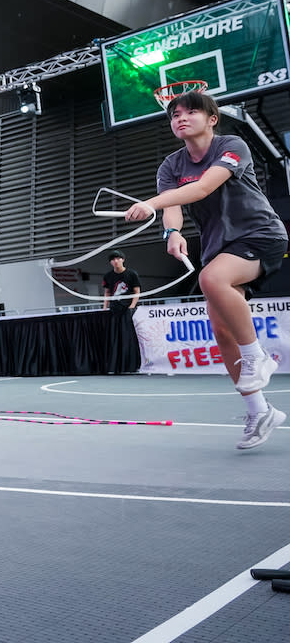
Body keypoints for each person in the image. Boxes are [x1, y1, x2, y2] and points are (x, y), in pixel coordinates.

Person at [124, 90, 289, 450]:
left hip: (260, 234)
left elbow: (201, 189)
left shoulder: (232, 145)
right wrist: (172, 232)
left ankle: (256, 355)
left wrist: (149, 204)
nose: (180, 118)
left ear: (211, 118)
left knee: (211, 278)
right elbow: (175, 208)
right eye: (174, 115)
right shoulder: (170, 166)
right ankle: (259, 411)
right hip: (219, 245)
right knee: (221, 329)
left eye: (190, 112)